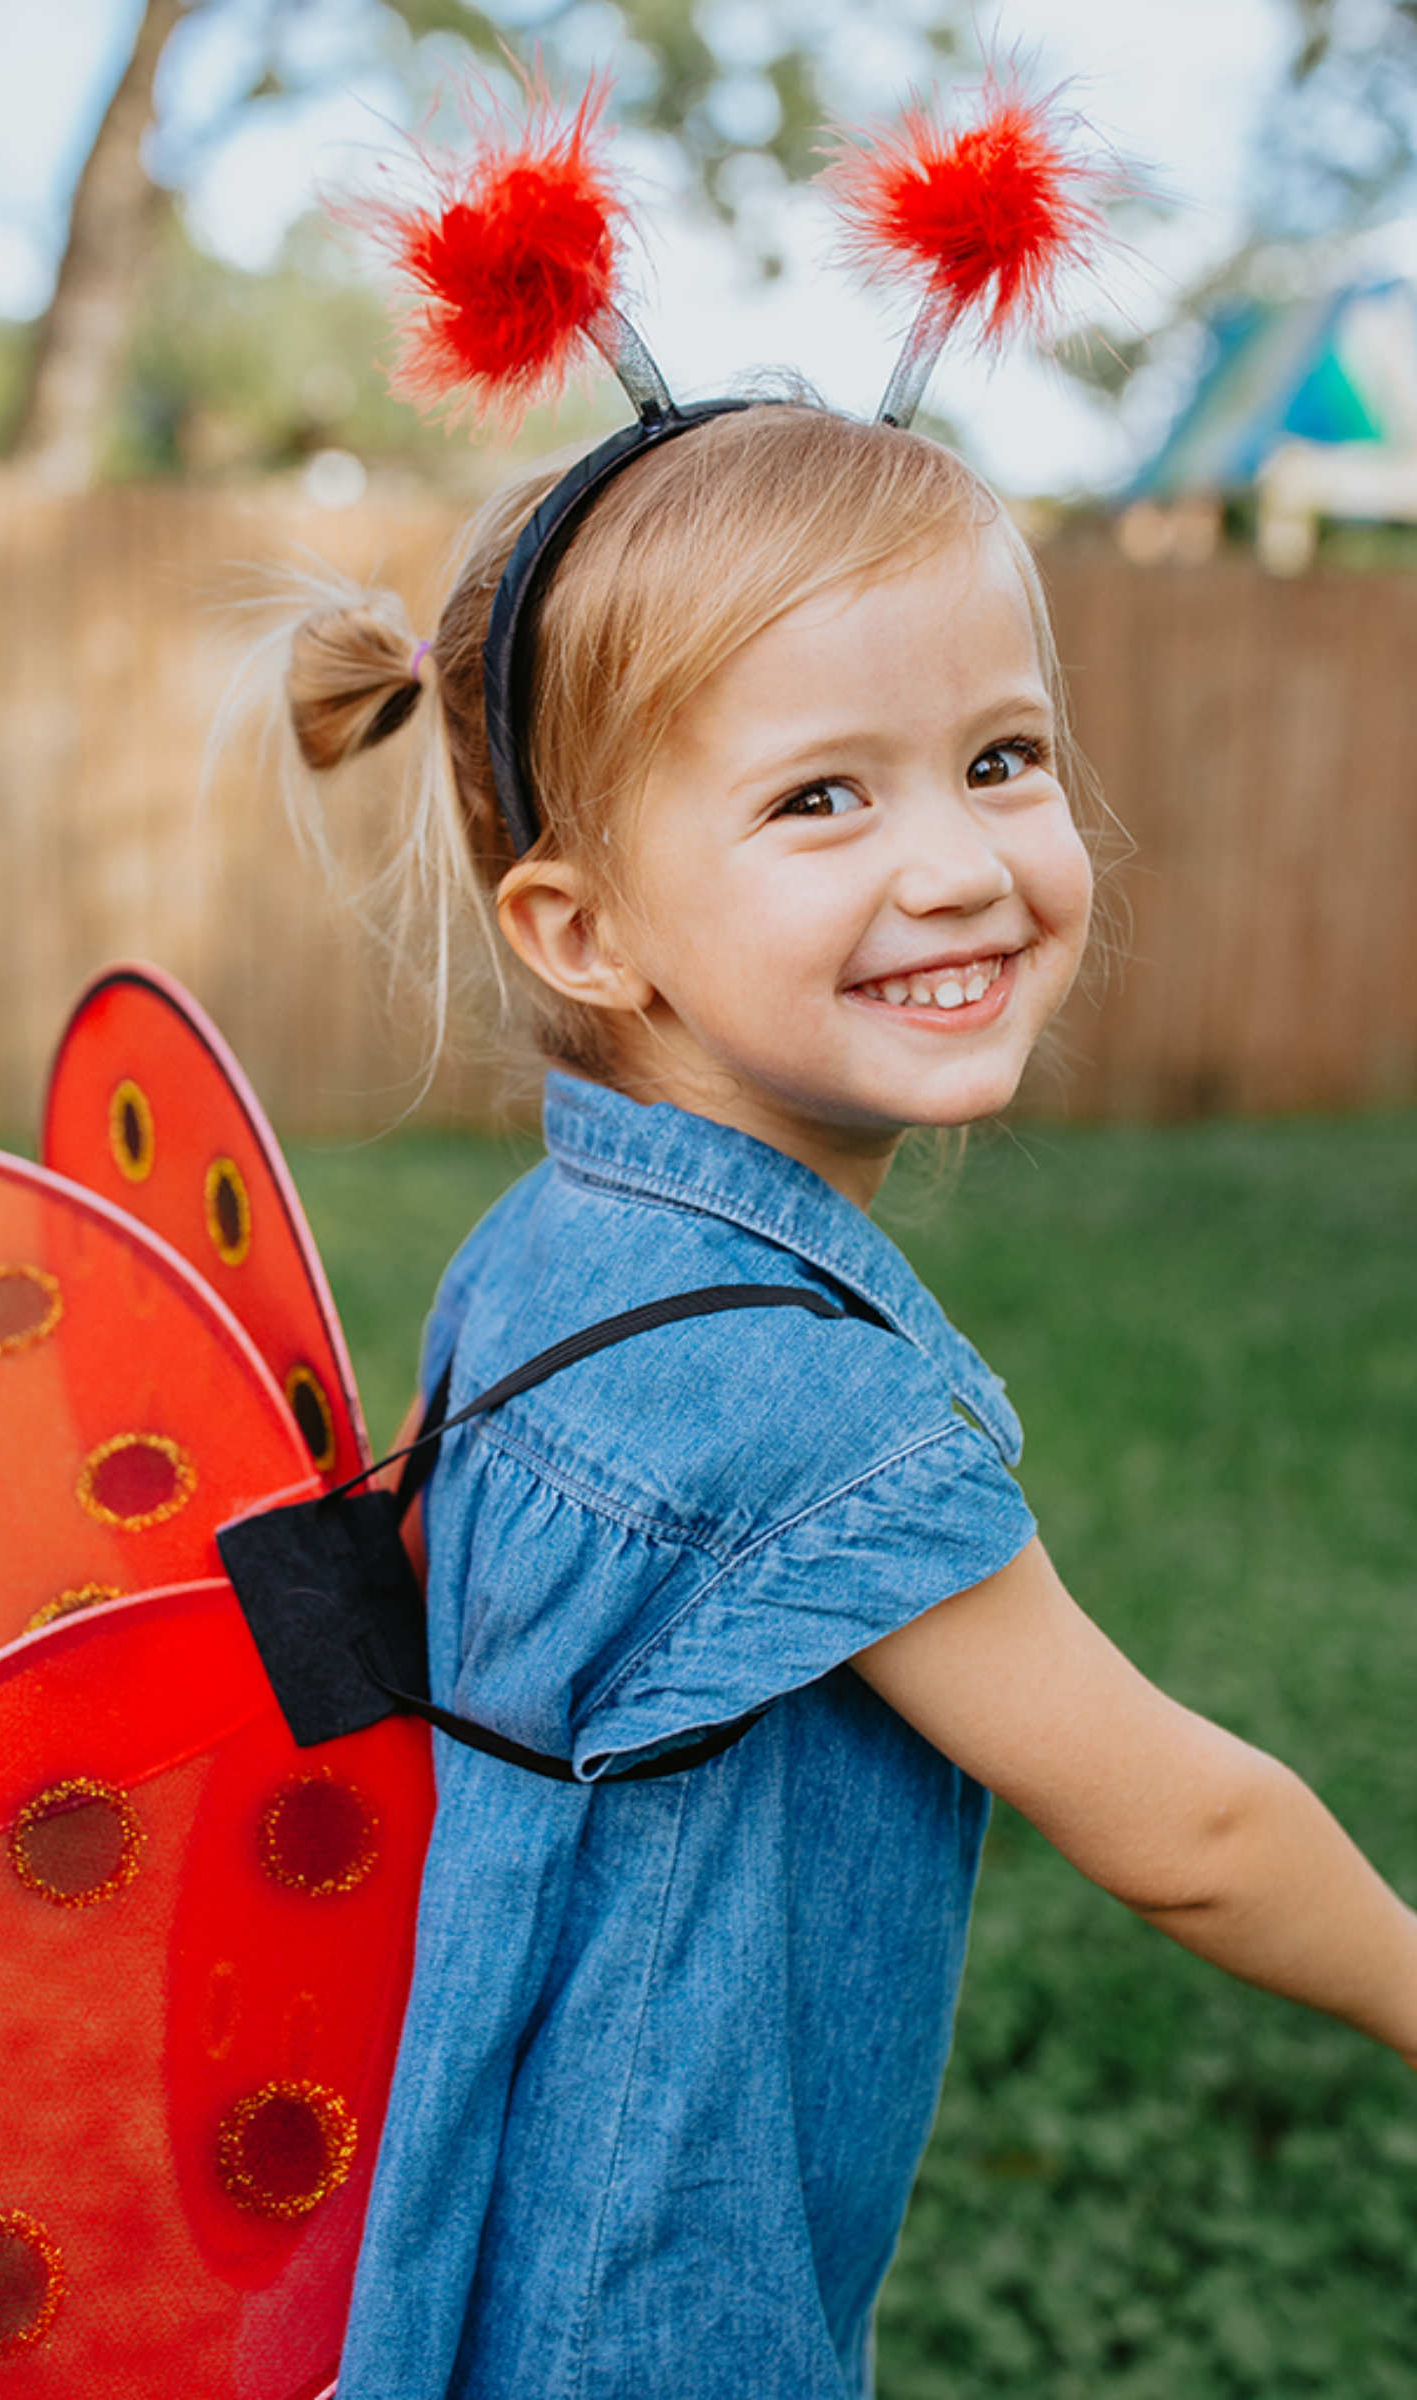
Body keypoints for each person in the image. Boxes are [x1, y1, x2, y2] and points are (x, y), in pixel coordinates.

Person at [278, 401, 1417, 2400]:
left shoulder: (536, 1248)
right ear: (580, 927)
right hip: (652, 2308)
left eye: (998, 759)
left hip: (463, 2238)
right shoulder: (811, 1417)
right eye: (821, 799)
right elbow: (1190, 1830)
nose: (958, 862)